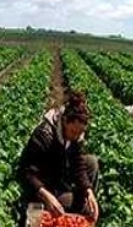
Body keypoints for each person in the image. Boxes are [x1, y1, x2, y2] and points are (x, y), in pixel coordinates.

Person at [17, 91, 99, 220]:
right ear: (65, 120)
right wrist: (46, 195)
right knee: (72, 204)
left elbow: (78, 165)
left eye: (80, 133)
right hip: (42, 184)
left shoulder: (76, 136)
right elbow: (27, 173)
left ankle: (81, 203)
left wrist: (88, 191)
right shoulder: (44, 135)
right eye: (73, 131)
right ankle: (70, 206)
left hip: (60, 175)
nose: (76, 136)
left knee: (91, 162)